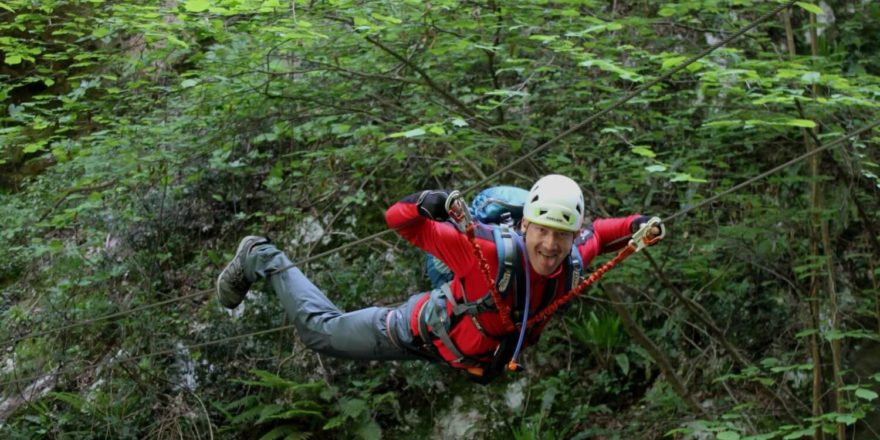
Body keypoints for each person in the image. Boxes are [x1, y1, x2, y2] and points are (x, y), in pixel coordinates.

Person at [216, 175, 664, 380]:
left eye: (561, 236)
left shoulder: (573, 259)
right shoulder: (484, 250)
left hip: (466, 357)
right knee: (323, 334)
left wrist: (637, 225)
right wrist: (423, 201)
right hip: (415, 334)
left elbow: (602, 233)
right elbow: (400, 222)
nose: (550, 245)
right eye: (542, 231)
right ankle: (261, 256)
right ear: (525, 225)